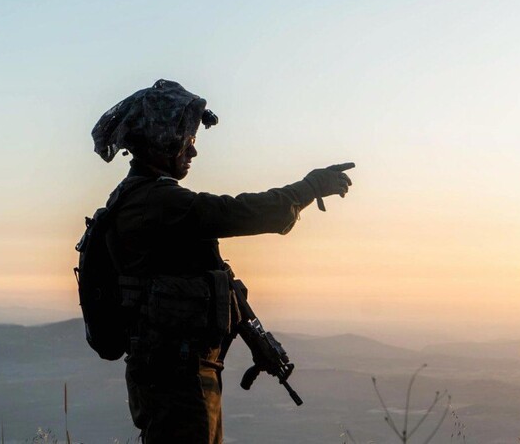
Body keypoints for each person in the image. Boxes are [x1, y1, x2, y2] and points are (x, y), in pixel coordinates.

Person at [91, 79, 354, 444]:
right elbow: (238, 212)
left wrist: (251, 336)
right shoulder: (160, 203)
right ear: (161, 140)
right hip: (177, 379)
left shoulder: (141, 199)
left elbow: (209, 274)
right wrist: (308, 188)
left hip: (173, 371)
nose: (193, 151)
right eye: (187, 139)